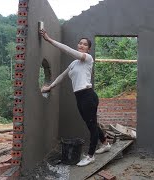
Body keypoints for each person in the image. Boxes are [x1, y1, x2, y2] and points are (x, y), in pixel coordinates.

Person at [39, 29, 111, 167]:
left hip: (88, 96)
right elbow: (62, 76)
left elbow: (67, 50)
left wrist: (49, 40)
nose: (81, 45)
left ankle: (90, 156)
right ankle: (105, 143)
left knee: (91, 126)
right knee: (92, 124)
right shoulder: (73, 64)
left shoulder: (88, 59)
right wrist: (50, 86)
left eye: (85, 44)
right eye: (80, 43)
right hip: (80, 97)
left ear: (88, 49)